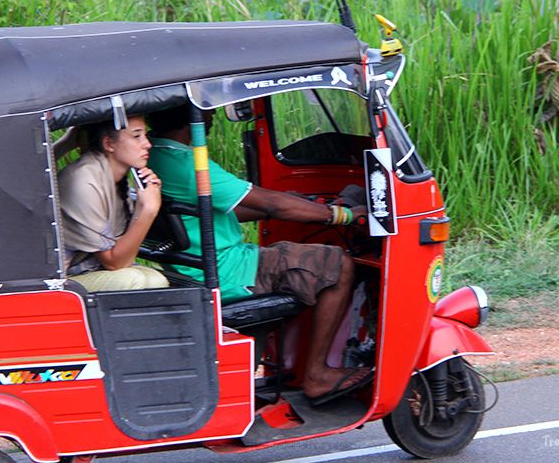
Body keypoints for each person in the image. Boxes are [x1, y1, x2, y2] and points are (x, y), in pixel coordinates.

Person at [147, 105, 370, 405]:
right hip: (230, 271)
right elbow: (269, 202)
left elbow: (223, 207)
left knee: (297, 261)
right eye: (207, 112)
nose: (212, 116)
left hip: (190, 268)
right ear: (192, 120)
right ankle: (317, 374)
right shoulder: (186, 163)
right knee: (337, 264)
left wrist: (296, 205)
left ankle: (290, 365)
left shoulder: (152, 155)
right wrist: (339, 214)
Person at [58, 116, 169, 292]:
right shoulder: (84, 182)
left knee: (156, 279)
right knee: (136, 281)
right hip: (59, 282)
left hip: (90, 269)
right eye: (136, 136)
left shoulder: (115, 178)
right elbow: (114, 262)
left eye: (145, 136)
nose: (147, 144)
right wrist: (148, 210)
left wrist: (142, 205)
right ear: (109, 144)